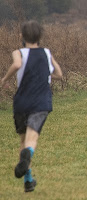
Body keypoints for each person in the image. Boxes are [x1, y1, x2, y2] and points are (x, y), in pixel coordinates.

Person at [0, 21, 64, 193]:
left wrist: (4, 79)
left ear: (21, 36)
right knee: (31, 140)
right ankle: (28, 156)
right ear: (39, 37)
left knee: (23, 140)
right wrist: (46, 68)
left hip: (21, 103)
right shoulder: (46, 52)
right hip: (40, 103)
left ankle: (28, 180)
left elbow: (17, 64)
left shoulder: (18, 52)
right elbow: (59, 74)